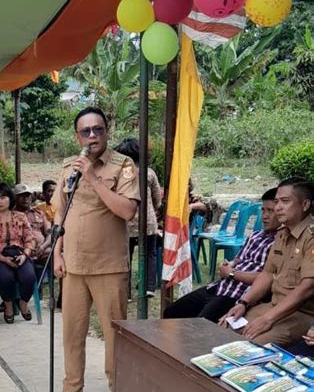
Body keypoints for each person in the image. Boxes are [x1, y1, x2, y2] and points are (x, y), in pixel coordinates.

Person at [52, 106, 140, 392]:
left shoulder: (124, 165)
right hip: (74, 265)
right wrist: (57, 254)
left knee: (114, 334)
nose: (92, 136)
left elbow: (127, 211)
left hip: (109, 266)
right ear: (77, 135)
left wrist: (93, 177)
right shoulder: (68, 167)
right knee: (72, 332)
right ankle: (73, 391)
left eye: (98, 130)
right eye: (86, 131)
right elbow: (60, 213)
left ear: (107, 131)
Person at [219, 178, 314, 346]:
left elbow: (307, 288)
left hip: (301, 314)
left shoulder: (310, 238)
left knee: (247, 347)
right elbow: (267, 274)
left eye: (285, 201)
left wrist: (268, 319)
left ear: (305, 205)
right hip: (273, 306)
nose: (278, 207)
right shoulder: (282, 233)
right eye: (277, 201)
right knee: (223, 327)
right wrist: (243, 302)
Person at [164, 188, 279, 322]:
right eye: (263, 210)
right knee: (171, 313)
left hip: (237, 295)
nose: (265, 216)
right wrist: (230, 264)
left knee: (199, 325)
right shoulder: (256, 236)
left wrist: (231, 274)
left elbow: (266, 278)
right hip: (219, 287)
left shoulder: (280, 243)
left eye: (270, 211)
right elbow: (239, 258)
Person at [0, 183, 36, 324]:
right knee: (5, 277)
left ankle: (23, 302)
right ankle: (8, 304)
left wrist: (24, 255)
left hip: (19, 253)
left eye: (3, 197)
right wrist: (4, 259)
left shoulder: (21, 217)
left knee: (29, 276)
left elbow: (30, 239)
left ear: (10, 199)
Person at [114, 138, 161, 298]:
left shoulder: (120, 174)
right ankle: (149, 287)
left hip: (125, 222)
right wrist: (153, 210)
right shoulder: (149, 173)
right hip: (147, 221)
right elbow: (157, 198)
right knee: (150, 254)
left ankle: (125, 291)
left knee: (125, 256)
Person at [14, 183, 52, 265]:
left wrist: (43, 246)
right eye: (22, 196)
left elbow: (49, 234)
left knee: (54, 254)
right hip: (22, 252)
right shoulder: (11, 215)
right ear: (15, 198)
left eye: (28, 196)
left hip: (42, 250)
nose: (25, 199)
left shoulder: (39, 214)